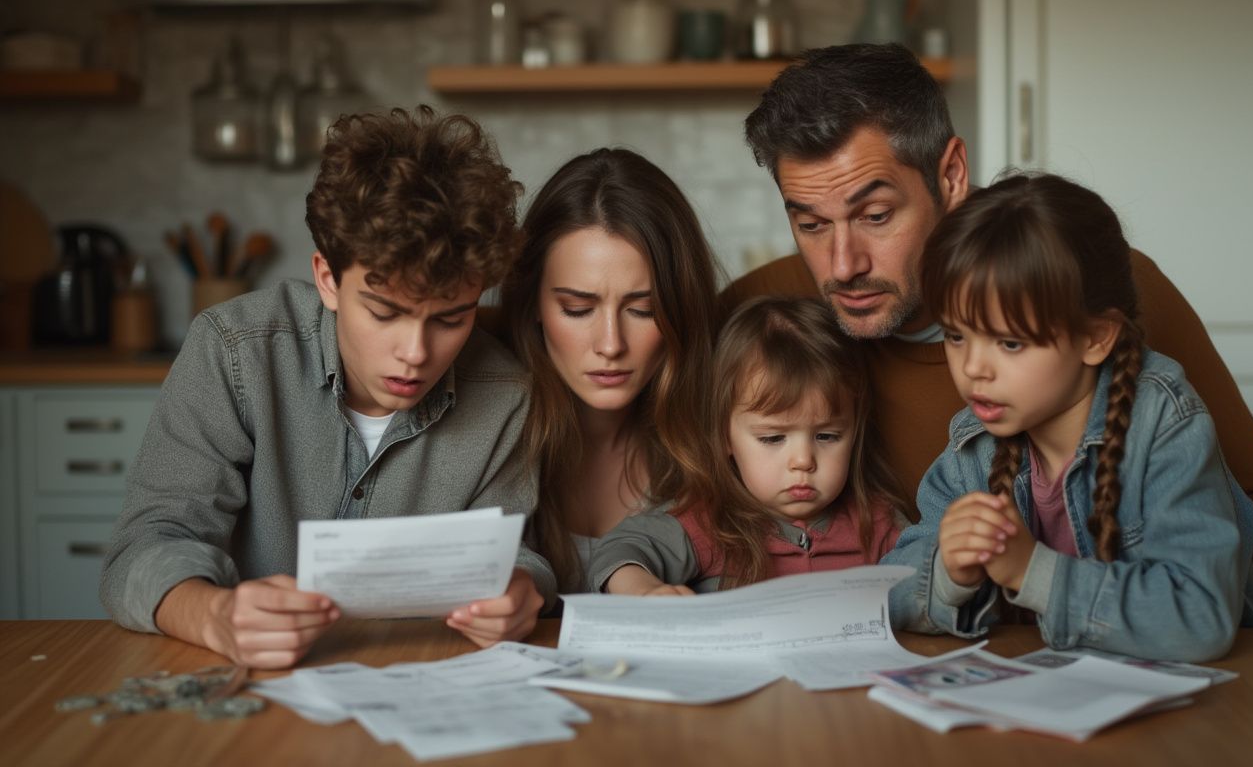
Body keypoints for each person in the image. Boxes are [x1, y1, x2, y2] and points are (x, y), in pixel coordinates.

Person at [721, 43, 1253, 629]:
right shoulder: (764, 317)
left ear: (951, 174)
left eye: (876, 216)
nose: (841, 265)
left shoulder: (1089, 289)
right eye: (810, 224)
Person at [100, 107, 553, 669]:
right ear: (327, 279)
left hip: (420, 682)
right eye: (384, 313)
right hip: (255, 688)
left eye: (449, 319)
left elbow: (515, 555)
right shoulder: (234, 350)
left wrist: (517, 593)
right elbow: (142, 550)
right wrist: (216, 616)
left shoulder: (507, 392)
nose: (415, 353)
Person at [887, 173, 1253, 661]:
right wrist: (950, 572)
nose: (972, 369)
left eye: (1009, 342)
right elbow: (888, 588)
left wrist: (1032, 571)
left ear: (1096, 338)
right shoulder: (974, 443)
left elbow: (1200, 616)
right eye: (956, 335)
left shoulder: (1163, 422)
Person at [496, 148, 720, 594]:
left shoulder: (734, 430)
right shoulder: (488, 435)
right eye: (577, 309)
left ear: (681, 309)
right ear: (534, 304)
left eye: (643, 309)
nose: (611, 345)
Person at [590, 296, 907, 594]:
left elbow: (929, 584)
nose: (802, 461)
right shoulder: (707, 523)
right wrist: (645, 592)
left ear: (855, 432)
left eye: (827, 436)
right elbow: (618, 553)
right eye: (773, 438)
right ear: (725, 437)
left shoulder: (879, 523)